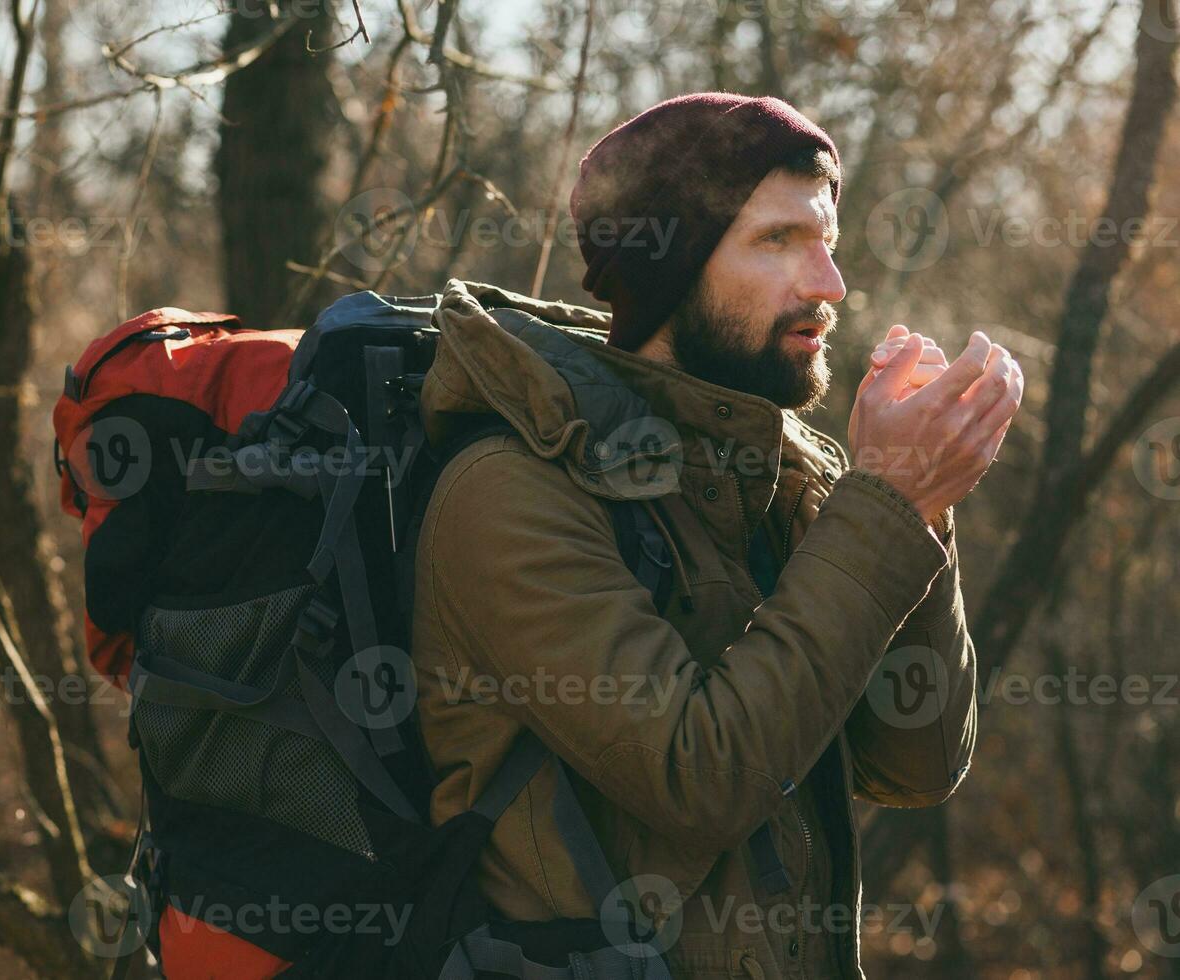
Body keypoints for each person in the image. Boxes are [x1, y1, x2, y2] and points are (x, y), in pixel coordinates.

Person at [411, 92, 1023, 978]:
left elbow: (917, 763)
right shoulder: (508, 492)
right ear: (671, 265)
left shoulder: (787, 473)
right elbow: (702, 778)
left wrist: (917, 502)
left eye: (829, 244)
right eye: (778, 241)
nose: (830, 285)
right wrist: (887, 500)